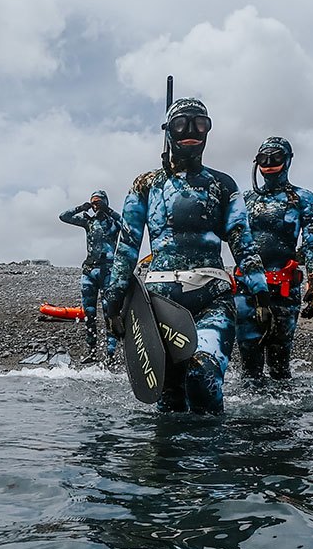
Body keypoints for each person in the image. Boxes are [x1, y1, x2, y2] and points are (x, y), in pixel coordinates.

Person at [103, 98, 271, 414]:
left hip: (212, 299)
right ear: (169, 131)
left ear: (208, 129)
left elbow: (242, 242)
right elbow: (127, 246)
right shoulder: (147, 184)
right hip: (157, 307)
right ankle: (169, 463)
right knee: (170, 399)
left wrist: (261, 295)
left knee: (202, 375)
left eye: (200, 124)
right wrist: (113, 303)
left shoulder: (223, 184)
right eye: (182, 125)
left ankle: (211, 459)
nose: (191, 132)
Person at [234, 136, 313, 379]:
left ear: (288, 160)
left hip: (285, 289)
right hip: (247, 289)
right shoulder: (245, 200)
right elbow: (234, 239)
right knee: (249, 366)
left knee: (280, 364)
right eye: (264, 158)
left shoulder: (303, 198)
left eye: (277, 157)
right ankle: (250, 416)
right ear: (256, 163)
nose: (270, 163)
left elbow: (312, 242)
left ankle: (280, 415)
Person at [59, 190, 121, 363]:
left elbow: (127, 225)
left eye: (99, 202)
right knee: (89, 313)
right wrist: (82, 207)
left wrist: (107, 210)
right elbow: (63, 217)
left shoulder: (113, 223)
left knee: (109, 312)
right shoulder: (89, 222)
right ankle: (92, 351)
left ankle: (110, 354)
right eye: (94, 203)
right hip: (89, 271)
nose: (96, 205)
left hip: (107, 271)